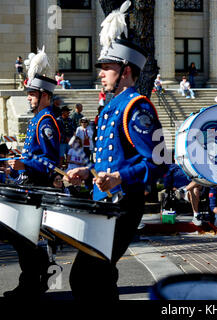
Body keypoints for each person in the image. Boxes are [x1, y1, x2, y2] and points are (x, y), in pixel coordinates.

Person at [64, 4, 166, 300]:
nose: (102, 74)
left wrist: (119, 177)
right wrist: (87, 172)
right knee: (98, 278)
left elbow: (158, 161)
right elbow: (107, 160)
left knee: (86, 276)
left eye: (107, 68)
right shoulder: (110, 108)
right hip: (104, 204)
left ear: (126, 71)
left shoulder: (138, 107)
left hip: (123, 204)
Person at [3, 48, 60, 298]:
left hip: (37, 192)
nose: (28, 98)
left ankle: (32, 284)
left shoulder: (47, 121)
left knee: (23, 239)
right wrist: (15, 164)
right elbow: (31, 158)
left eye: (32, 94)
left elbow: (51, 162)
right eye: (28, 94)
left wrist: (24, 165)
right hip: (27, 187)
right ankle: (32, 283)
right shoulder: (38, 119)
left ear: (44, 95)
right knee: (21, 239)